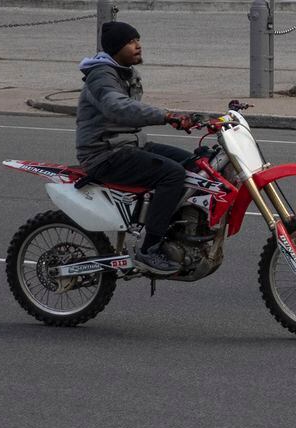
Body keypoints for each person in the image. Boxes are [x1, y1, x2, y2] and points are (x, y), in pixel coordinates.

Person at [76, 21, 201, 275]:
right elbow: (118, 106)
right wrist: (166, 116)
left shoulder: (125, 72)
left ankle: (175, 231)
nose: (138, 45)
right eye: (131, 41)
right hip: (104, 154)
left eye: (138, 40)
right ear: (115, 48)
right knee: (172, 174)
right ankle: (149, 249)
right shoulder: (102, 75)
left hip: (128, 144)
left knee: (195, 164)